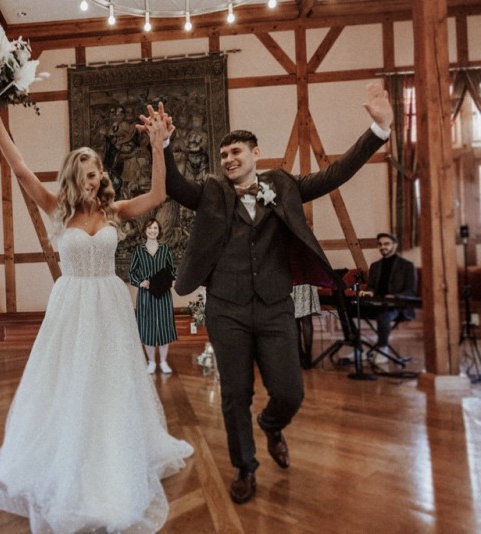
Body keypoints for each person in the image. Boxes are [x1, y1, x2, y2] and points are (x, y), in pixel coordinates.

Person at [159, 81, 394, 504]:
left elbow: (334, 174)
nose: (228, 159)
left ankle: (271, 425)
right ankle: (244, 467)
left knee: (290, 392)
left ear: (256, 153)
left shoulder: (283, 185)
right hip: (226, 309)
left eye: (236, 152)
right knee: (235, 394)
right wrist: (162, 145)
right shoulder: (212, 192)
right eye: (223, 155)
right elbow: (175, 186)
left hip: (274, 309)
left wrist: (378, 131)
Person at [0, 93, 193, 533]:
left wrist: (158, 146)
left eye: (100, 172)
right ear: (76, 176)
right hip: (72, 304)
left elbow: (159, 194)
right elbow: (20, 168)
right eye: (91, 173)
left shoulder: (115, 210)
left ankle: (112, 451)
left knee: (110, 378)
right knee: (71, 378)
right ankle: (68, 451)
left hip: (109, 302)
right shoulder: (57, 207)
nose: (98, 178)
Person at [129, 218, 178, 374]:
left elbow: (172, 270)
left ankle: (163, 362)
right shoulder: (139, 250)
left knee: (164, 326)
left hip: (163, 294)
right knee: (148, 328)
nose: (152, 231)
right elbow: (132, 272)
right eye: (150, 228)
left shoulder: (165, 250)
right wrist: (140, 282)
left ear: (159, 231)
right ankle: (151, 362)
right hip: (146, 295)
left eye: (155, 228)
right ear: (145, 231)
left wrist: (171, 280)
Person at [359, 232, 417, 352]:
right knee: (348, 310)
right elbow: (371, 287)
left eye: (386, 244)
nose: (382, 247)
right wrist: (369, 292)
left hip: (398, 306)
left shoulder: (407, 266)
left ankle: (382, 348)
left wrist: (394, 296)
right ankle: (358, 348)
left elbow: (411, 291)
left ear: (395, 245)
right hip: (376, 304)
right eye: (380, 244)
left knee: (384, 314)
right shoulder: (375, 266)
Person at [292, 284, 321, 369]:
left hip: (291, 283)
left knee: (294, 321)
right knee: (306, 321)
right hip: (305, 283)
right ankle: (308, 356)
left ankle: (299, 354)